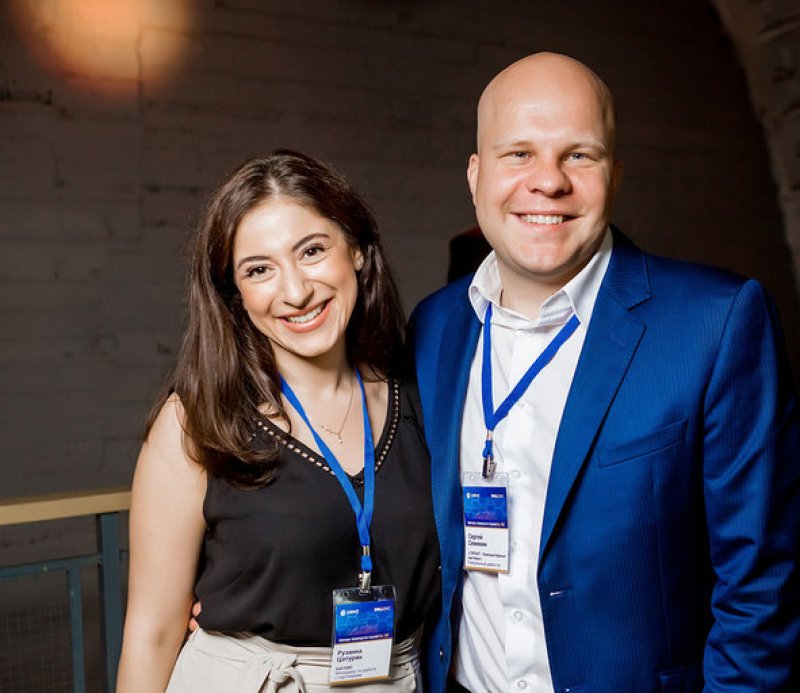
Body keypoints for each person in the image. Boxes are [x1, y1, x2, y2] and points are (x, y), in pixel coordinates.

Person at [410, 53, 800, 692]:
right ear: (476, 175)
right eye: (519, 154)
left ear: (614, 175)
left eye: (578, 155)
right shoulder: (431, 329)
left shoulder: (719, 322)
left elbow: (763, 586)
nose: (548, 181)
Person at [117, 151, 441, 692]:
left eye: (312, 250)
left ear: (357, 251)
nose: (295, 292)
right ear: (235, 294)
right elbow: (152, 634)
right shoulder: (196, 422)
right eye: (259, 270)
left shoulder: (424, 395)